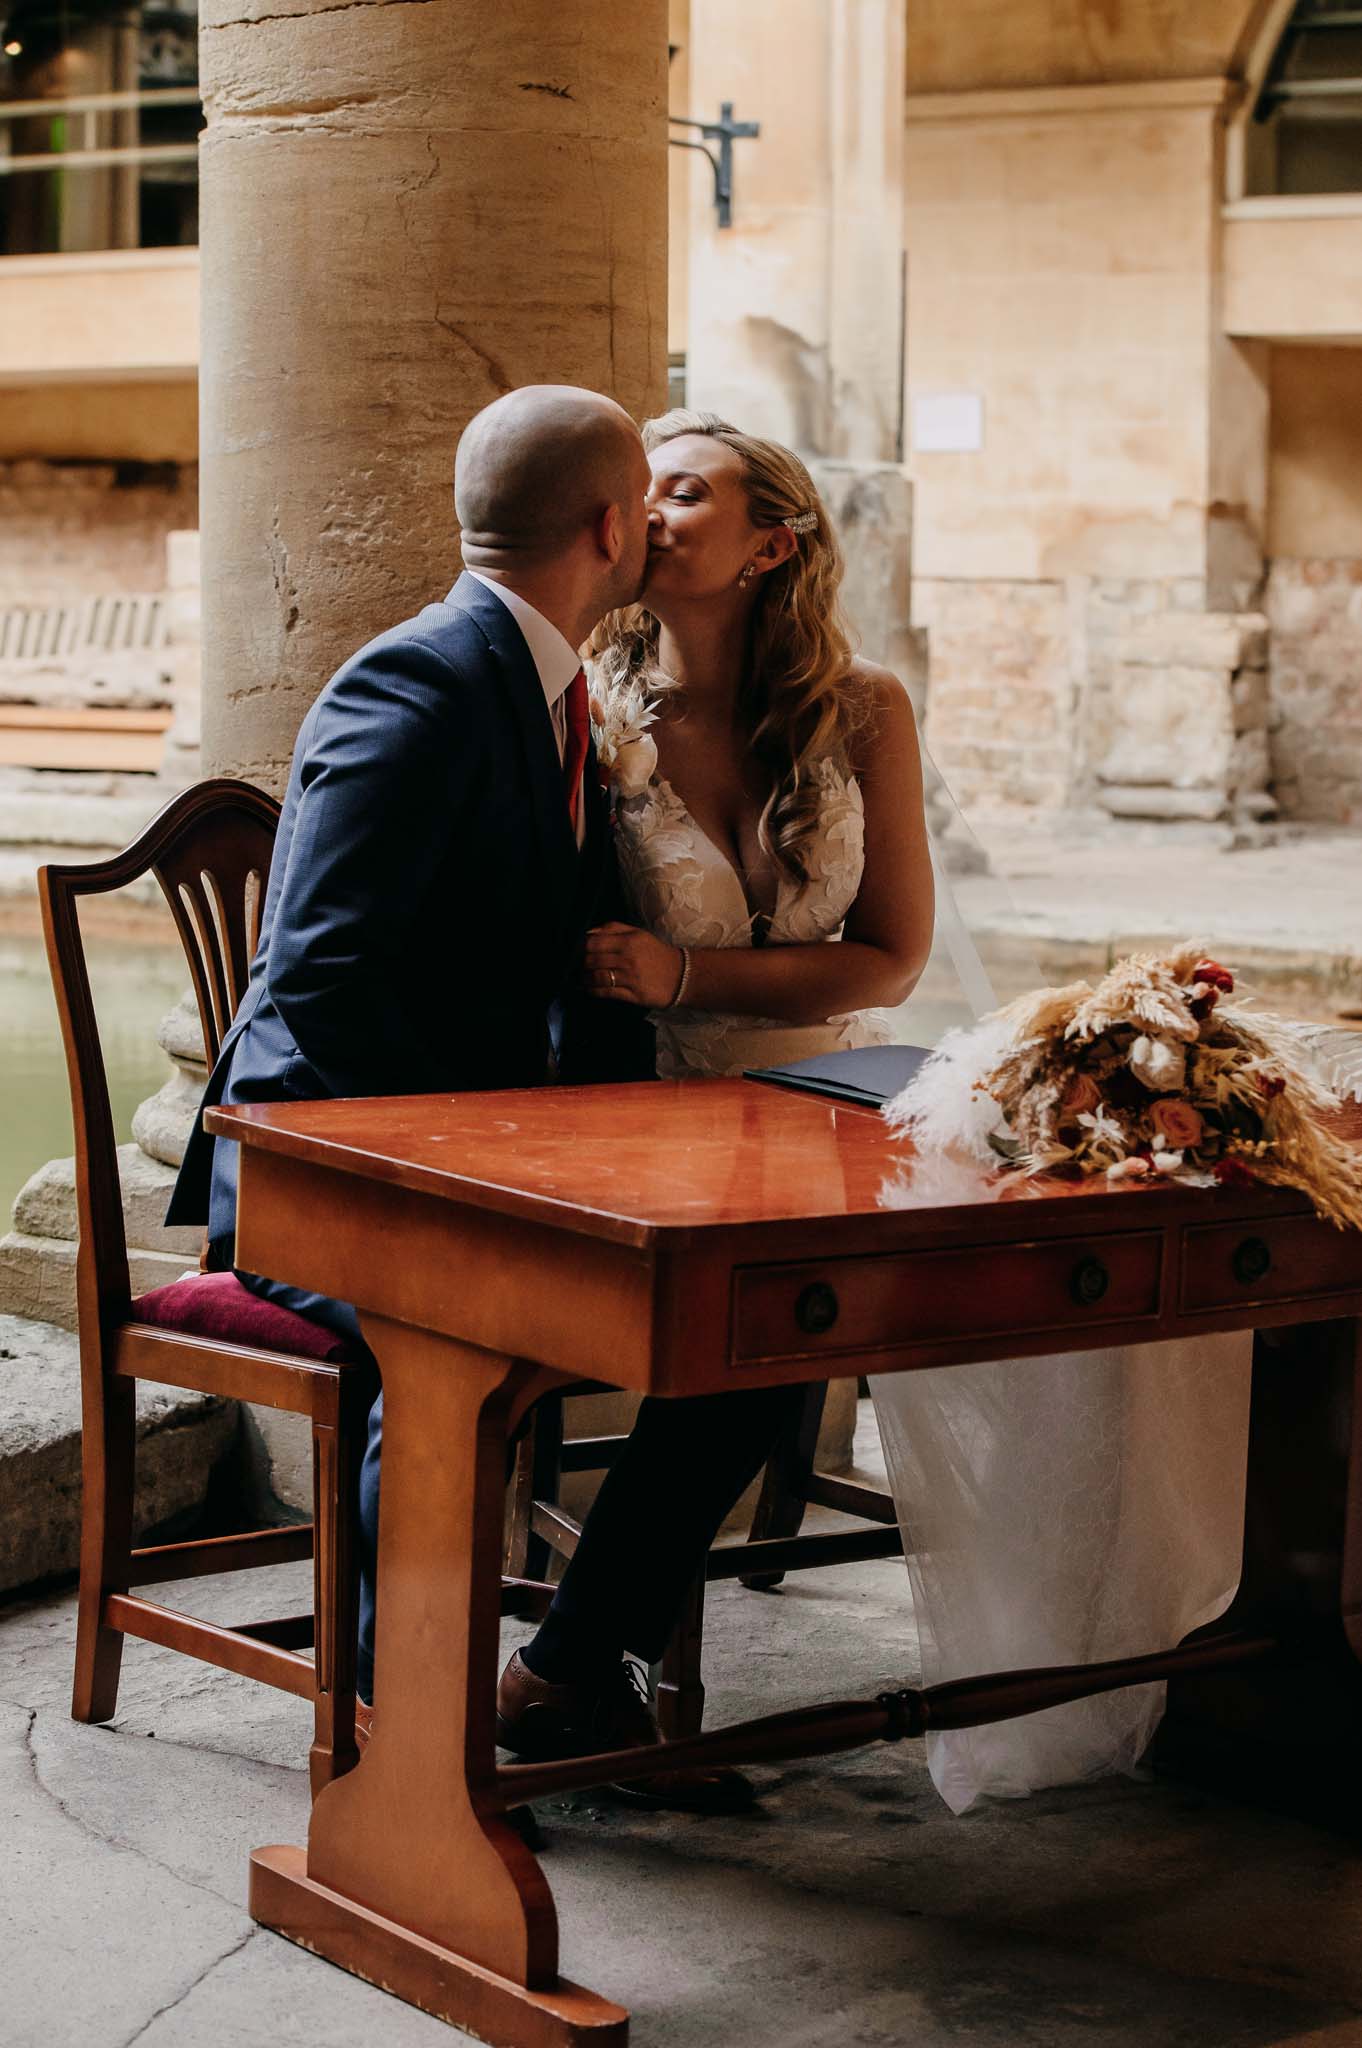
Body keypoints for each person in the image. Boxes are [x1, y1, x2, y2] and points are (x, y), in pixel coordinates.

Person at [576, 408, 1251, 1815]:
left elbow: (883, 955)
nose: (647, 508)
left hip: (837, 1084)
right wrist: (666, 998)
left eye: (684, 490)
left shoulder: (861, 706)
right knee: (754, 1318)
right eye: (637, 488)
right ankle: (576, 1665)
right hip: (644, 1101)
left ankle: (1160, 1634)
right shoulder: (586, 708)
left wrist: (690, 965)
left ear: (773, 542)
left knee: (1086, 1267)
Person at [168, 385, 778, 1809]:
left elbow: (555, 969)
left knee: (755, 1322)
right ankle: (405, 1750)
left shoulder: (552, 687)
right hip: (319, 1173)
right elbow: (318, 987)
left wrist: (617, 1151)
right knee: (435, 1344)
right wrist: (479, 1179)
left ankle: (561, 1678)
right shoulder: (419, 682)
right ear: (613, 525)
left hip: (479, 1157)